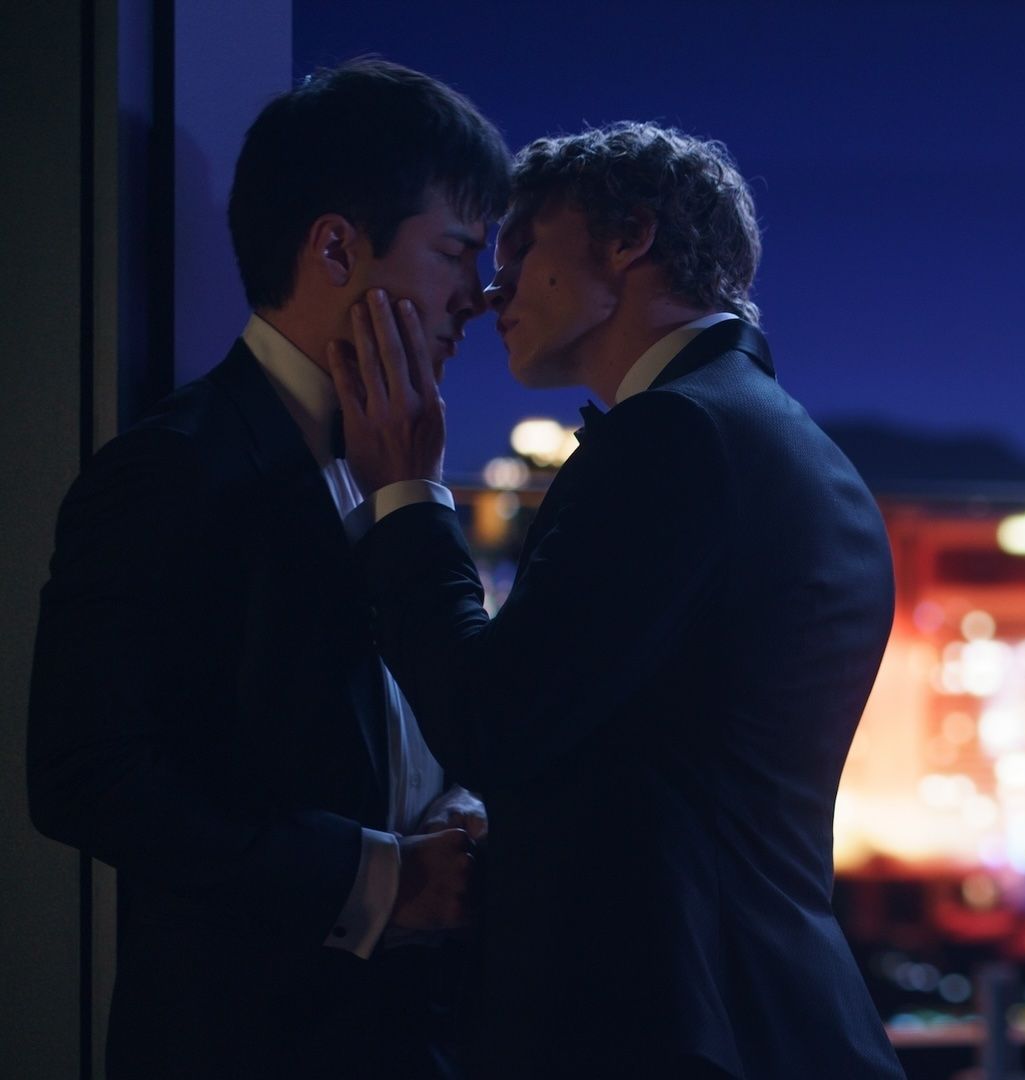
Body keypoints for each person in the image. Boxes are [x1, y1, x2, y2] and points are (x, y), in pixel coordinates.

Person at [329, 121, 905, 1078]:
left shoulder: (672, 439)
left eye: (522, 249)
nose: (489, 289)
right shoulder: (776, 439)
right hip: (754, 1002)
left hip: (670, 1021)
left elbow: (492, 716)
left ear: (630, 238)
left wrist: (407, 492)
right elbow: (655, 735)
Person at [28, 58, 510, 1078]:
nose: (478, 296)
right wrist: (376, 880)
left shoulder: (398, 457)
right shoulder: (173, 468)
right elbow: (85, 778)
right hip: (248, 1039)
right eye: (456, 252)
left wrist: (453, 814)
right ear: (336, 245)